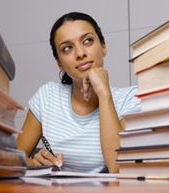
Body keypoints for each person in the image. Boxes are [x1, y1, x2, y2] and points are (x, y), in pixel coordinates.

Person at [17, 12, 140, 173]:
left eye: (88, 41)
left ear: (103, 46)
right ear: (59, 63)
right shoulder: (47, 97)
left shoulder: (131, 98)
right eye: (67, 48)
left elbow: (117, 167)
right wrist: (32, 163)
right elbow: (9, 161)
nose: (80, 53)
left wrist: (104, 94)